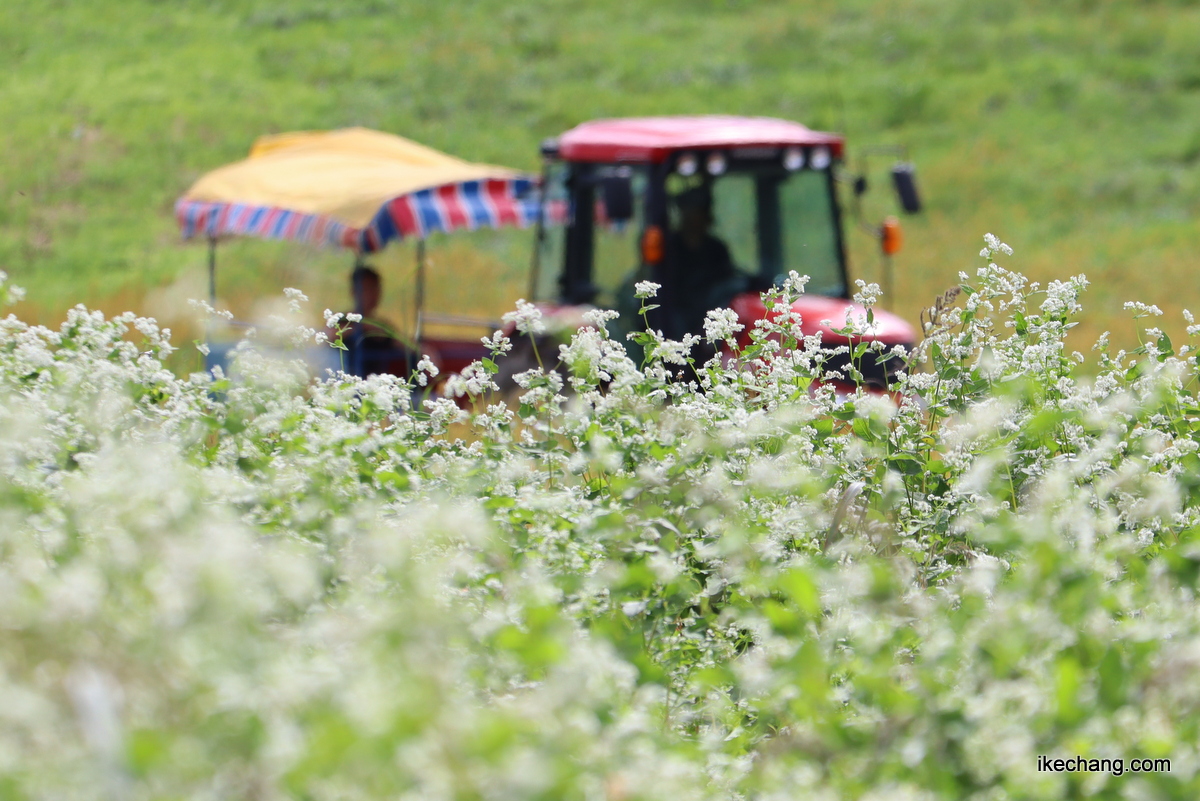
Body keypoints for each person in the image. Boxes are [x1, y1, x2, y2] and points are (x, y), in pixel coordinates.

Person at [661, 186, 741, 339]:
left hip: (711, 311)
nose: (695, 217)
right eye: (691, 211)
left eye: (699, 211)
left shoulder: (717, 249)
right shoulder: (669, 248)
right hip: (677, 312)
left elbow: (726, 282)